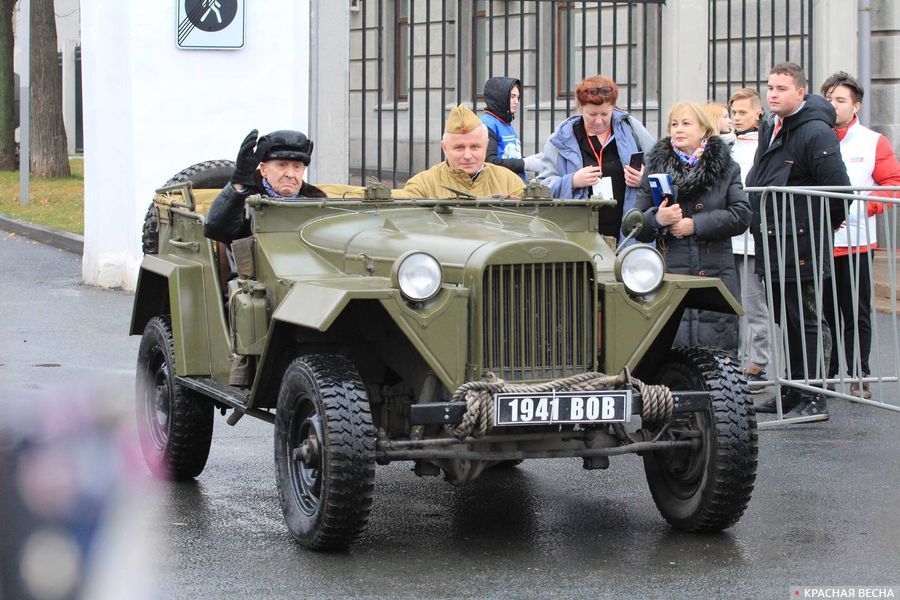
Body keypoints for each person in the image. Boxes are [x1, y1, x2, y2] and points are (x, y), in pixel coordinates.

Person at [746, 62, 850, 419]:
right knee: (785, 318)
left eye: (781, 89)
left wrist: (822, 227)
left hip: (801, 241)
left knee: (805, 318)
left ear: (801, 93)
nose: (773, 94)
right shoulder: (770, 126)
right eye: (770, 87)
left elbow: (839, 189)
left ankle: (814, 394)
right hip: (772, 238)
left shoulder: (815, 131)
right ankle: (792, 388)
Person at [633, 101, 751, 352]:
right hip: (670, 273)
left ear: (704, 130)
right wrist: (658, 219)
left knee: (716, 356)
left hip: (715, 273)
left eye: (686, 124)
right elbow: (634, 224)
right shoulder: (655, 169)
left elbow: (741, 215)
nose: (678, 130)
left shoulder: (726, 168)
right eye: (674, 124)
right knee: (671, 354)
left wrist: (695, 225)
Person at [820, 71, 900, 400]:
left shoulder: (872, 141)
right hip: (818, 241)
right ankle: (822, 374)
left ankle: (859, 373)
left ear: (855, 106)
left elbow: (892, 184)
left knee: (856, 311)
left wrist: (866, 208)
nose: (833, 106)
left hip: (856, 242)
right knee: (823, 313)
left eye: (840, 100)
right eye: (828, 99)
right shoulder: (814, 137)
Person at [537, 76, 655, 239]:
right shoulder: (561, 138)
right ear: (580, 107)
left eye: (605, 114)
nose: (598, 121)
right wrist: (572, 181)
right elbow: (542, 187)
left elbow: (660, 172)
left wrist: (643, 179)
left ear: (613, 107)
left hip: (628, 236)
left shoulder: (632, 129)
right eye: (592, 114)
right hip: (577, 237)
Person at [204, 129, 326, 243]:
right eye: (282, 165)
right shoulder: (245, 201)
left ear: (303, 170)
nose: (290, 174)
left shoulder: (319, 203)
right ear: (264, 169)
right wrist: (239, 180)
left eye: (297, 167)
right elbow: (217, 230)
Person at [727, 88, 772, 390]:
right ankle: (731, 361)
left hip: (752, 239)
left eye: (743, 113)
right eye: (734, 113)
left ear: (758, 112)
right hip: (726, 236)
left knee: (754, 305)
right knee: (728, 305)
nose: (737, 118)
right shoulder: (724, 145)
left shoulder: (766, 145)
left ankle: (759, 362)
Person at [400, 104, 526, 199]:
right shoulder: (423, 185)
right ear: (444, 148)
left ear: (486, 145)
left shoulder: (510, 182)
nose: (467, 156)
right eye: (459, 148)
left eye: (475, 147)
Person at [480, 77, 543, 180]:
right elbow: (489, 162)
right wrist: (525, 164)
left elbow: (509, 158)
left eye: (518, 97)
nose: (516, 102)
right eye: (512, 97)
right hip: (500, 189)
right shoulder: (487, 124)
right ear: (500, 97)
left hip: (515, 186)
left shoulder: (505, 123)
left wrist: (529, 160)